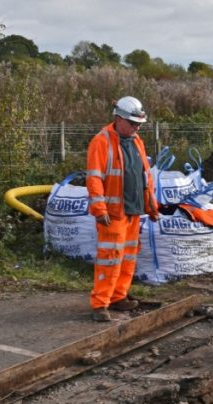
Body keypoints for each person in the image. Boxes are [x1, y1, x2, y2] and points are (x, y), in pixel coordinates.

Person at [86, 96, 160, 322]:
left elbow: (145, 176)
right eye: (132, 123)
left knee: (127, 258)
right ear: (118, 119)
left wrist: (151, 206)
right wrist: (99, 209)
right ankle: (100, 304)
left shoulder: (136, 141)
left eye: (139, 124)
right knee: (110, 258)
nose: (136, 127)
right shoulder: (101, 141)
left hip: (133, 211)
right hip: (113, 214)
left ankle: (119, 296)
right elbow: (95, 178)